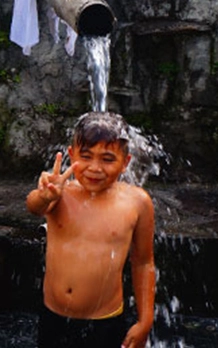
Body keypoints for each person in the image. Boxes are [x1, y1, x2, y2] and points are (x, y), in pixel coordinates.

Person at [25, 111, 156, 348]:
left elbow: (143, 262)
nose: (95, 168)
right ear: (71, 154)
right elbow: (34, 207)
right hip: (54, 315)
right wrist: (44, 195)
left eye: (107, 159)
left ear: (125, 163)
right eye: (86, 157)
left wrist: (145, 320)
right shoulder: (60, 193)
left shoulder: (137, 202)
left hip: (105, 320)